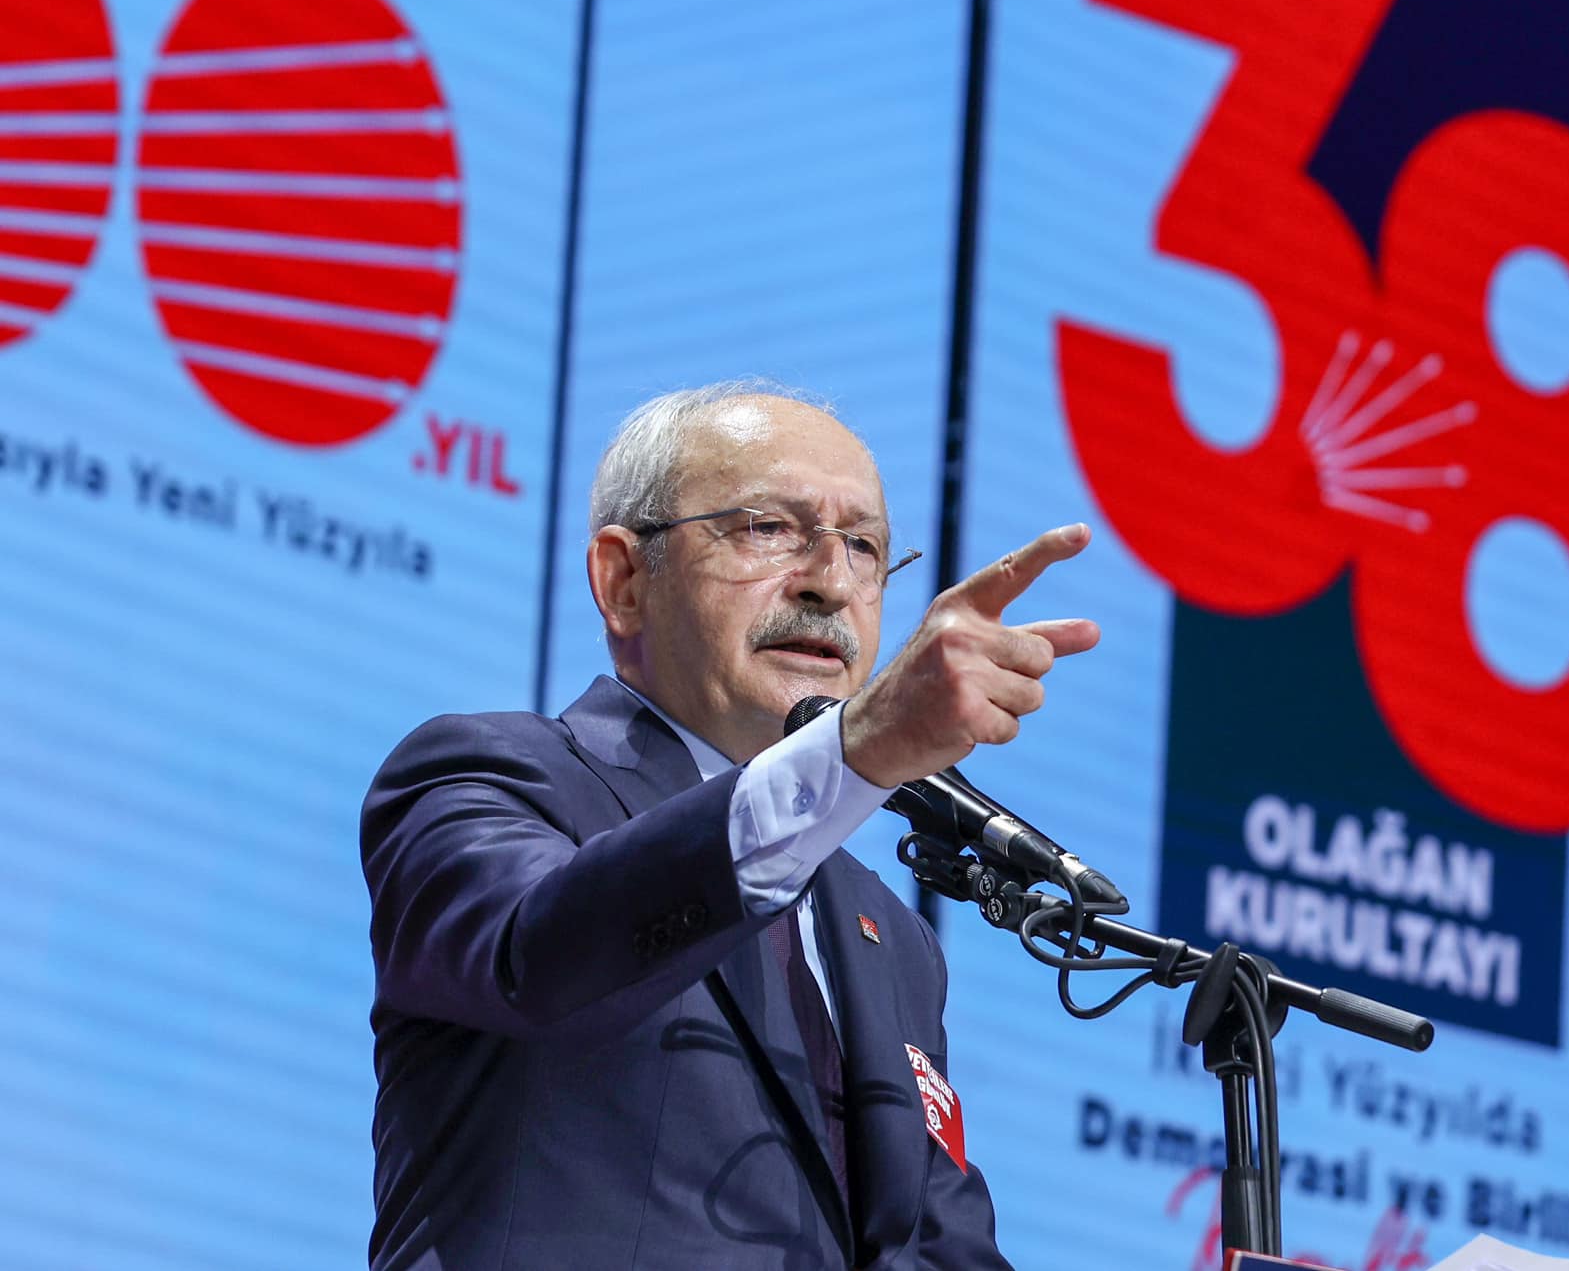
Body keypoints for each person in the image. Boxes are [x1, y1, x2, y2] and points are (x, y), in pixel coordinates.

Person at [360, 382, 1099, 1269]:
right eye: (768, 528)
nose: (830, 583)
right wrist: (854, 751)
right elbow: (538, 958)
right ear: (624, 582)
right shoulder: (485, 774)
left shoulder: (891, 939)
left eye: (864, 547)